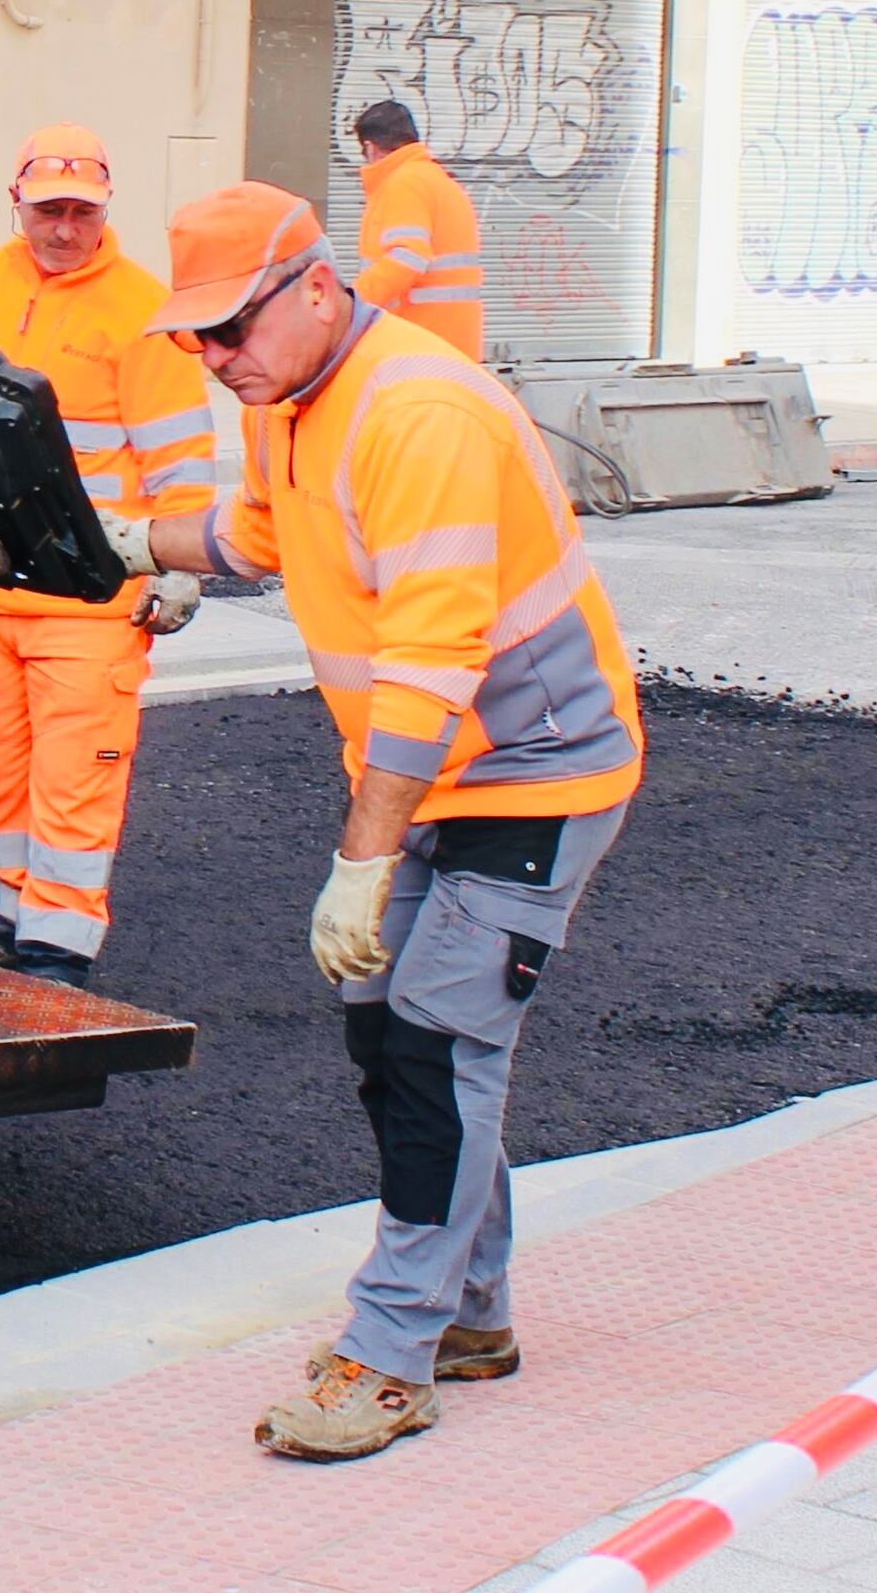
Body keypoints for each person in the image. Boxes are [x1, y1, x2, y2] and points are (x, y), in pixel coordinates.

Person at [103, 182, 642, 1464]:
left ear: (316, 289)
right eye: (195, 340)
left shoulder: (416, 410)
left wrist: (360, 861)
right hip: (440, 775)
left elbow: (432, 655)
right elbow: (259, 534)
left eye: (229, 330)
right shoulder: (293, 400)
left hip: (533, 770)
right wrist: (117, 542)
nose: (213, 359)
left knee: (432, 1046)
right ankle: (467, 1314)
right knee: (402, 1049)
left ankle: (390, 1354)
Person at [0, 126, 215, 981]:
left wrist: (180, 562)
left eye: (81, 212)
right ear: (18, 204)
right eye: (49, 209)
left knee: (72, 782)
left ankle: (57, 949)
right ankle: (16, 923)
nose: (64, 228)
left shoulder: (141, 312)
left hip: (90, 598)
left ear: (103, 211)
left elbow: (180, 457)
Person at [348, 97, 487, 362]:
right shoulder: (439, 181)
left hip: (418, 345)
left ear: (371, 148)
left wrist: (352, 306)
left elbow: (406, 259)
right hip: (450, 346)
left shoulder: (404, 183)